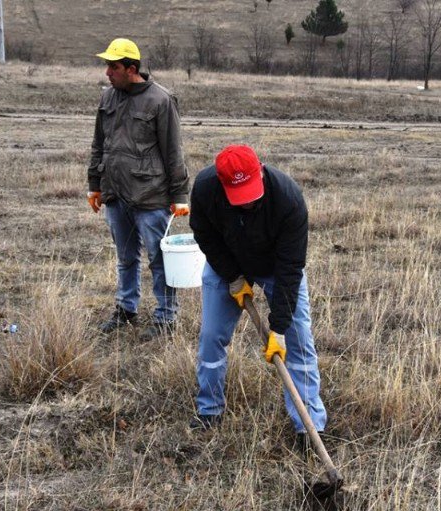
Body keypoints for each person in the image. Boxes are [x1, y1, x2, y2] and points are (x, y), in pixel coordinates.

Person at [188, 144, 327, 438]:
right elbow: (205, 234)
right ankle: (208, 410)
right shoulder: (204, 189)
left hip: (277, 267)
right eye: (239, 198)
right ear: (222, 184)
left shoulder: (288, 199)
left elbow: (291, 267)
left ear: (260, 171)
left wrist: (278, 328)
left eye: (251, 194)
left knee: (298, 341)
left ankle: (309, 427)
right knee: (212, 336)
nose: (247, 204)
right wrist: (232, 276)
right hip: (228, 261)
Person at [86, 38, 190, 337]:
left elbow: (173, 151)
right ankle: (126, 309)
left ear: (131, 69)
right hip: (116, 194)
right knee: (125, 257)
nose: (108, 72)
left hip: (151, 197)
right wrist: (95, 185)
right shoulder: (107, 98)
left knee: (159, 259)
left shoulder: (161, 100)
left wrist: (179, 195)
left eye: (113, 66)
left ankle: (166, 318)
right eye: (107, 65)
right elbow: (99, 144)